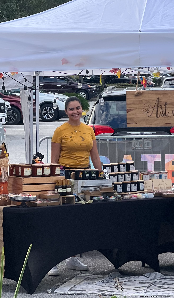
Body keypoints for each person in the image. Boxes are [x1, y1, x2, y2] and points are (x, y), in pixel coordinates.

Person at [48, 96, 102, 276]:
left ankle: (73, 257)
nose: (76, 112)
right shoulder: (60, 131)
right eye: (72, 109)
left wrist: (100, 176)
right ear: (66, 112)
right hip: (66, 177)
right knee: (62, 217)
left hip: (85, 176)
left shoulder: (89, 130)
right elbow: (54, 160)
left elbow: (95, 157)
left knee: (79, 218)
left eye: (78, 108)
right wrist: (55, 181)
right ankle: (53, 259)